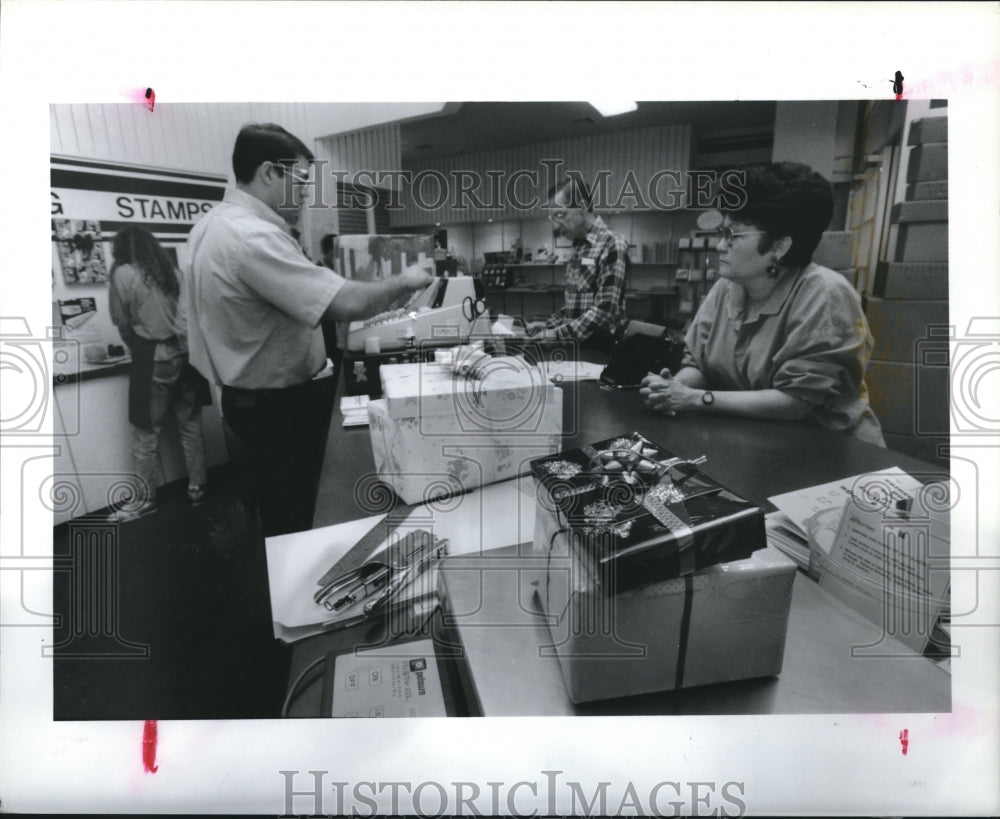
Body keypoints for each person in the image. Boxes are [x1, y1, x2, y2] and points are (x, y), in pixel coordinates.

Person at [180, 123, 433, 536]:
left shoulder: (211, 226)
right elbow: (343, 303)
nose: (304, 193)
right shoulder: (251, 236)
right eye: (298, 181)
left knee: (277, 513)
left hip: (247, 402)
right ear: (268, 173)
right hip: (277, 410)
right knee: (298, 517)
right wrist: (406, 280)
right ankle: (300, 595)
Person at [640, 162, 885, 446]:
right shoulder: (727, 287)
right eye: (721, 233)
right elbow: (700, 364)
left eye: (733, 235)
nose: (720, 246)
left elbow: (795, 401)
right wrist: (673, 387)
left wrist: (697, 399)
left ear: (779, 247)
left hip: (828, 453)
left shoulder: (826, 295)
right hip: (755, 443)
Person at [108, 226, 209, 522]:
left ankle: (145, 499)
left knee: (144, 432)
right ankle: (197, 487)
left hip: (153, 356)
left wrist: (136, 344)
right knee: (189, 425)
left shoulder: (123, 274)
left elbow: (121, 322)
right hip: (187, 354)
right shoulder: (171, 273)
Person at [525, 177, 629, 353]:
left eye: (561, 214)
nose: (556, 225)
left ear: (581, 206)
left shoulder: (612, 244)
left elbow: (603, 311)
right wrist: (547, 325)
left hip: (602, 351)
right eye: (552, 217)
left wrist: (555, 335)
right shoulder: (579, 247)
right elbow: (574, 306)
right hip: (577, 347)